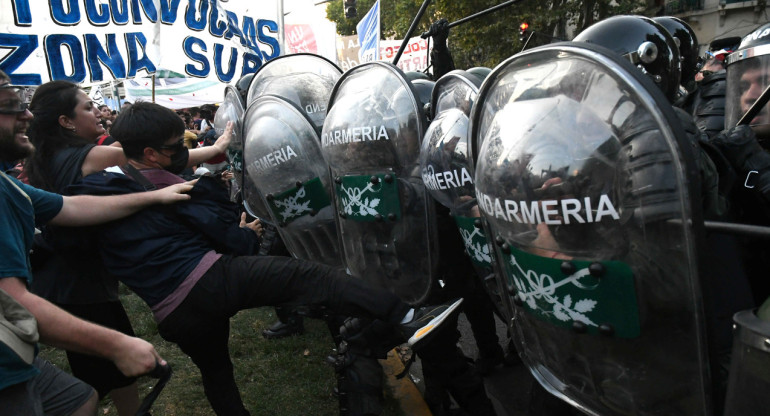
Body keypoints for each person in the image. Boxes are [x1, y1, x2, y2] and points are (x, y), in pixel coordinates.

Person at [66, 101, 464, 416]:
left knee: (218, 375)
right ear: (151, 154)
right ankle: (408, 318)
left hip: (172, 314)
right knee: (314, 277)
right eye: (178, 149)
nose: (186, 154)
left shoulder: (104, 192)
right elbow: (238, 245)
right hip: (210, 281)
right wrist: (246, 231)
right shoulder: (184, 192)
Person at [21, 80, 232, 415]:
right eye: (87, 107)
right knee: (118, 372)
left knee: (93, 374)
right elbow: (166, 158)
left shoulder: (45, 156)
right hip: (84, 284)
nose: (97, 113)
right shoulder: (91, 154)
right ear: (66, 121)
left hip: (60, 281)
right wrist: (220, 144)